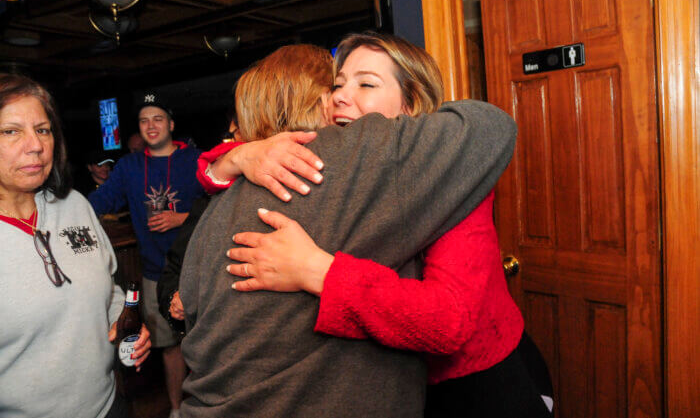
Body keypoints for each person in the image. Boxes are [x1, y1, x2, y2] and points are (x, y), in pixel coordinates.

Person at [206, 32, 553, 417]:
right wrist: (237, 158)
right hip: (402, 384)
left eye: (366, 84)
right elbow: (212, 171)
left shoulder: (448, 171)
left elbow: (449, 320)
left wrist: (316, 271)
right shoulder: (348, 165)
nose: (340, 95)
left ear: (410, 106)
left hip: (477, 383)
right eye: (337, 85)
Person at [0, 73, 151, 418]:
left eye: (43, 129)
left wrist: (123, 321)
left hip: (109, 405)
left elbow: (107, 288)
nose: (35, 145)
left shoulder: (74, 206)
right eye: (11, 131)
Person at [89, 93, 204, 418]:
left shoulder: (197, 160)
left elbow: (219, 203)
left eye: (157, 119)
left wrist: (181, 217)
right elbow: (100, 203)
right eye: (144, 120)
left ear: (170, 124)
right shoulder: (129, 166)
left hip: (200, 269)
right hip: (156, 274)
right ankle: (177, 410)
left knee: (209, 341)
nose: (150, 126)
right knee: (170, 347)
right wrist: (58, 208)